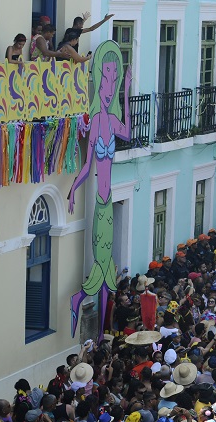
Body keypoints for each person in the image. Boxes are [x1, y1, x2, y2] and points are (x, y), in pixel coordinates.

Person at [69, 41, 132, 341]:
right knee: (102, 267)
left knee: (107, 273)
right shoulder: (95, 122)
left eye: (114, 78)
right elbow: (85, 167)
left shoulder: (112, 121)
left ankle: (99, 331)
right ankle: (80, 300)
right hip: (101, 203)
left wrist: (127, 94)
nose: (110, 84)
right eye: (106, 77)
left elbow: (129, 132)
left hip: (108, 204)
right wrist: (71, 191)